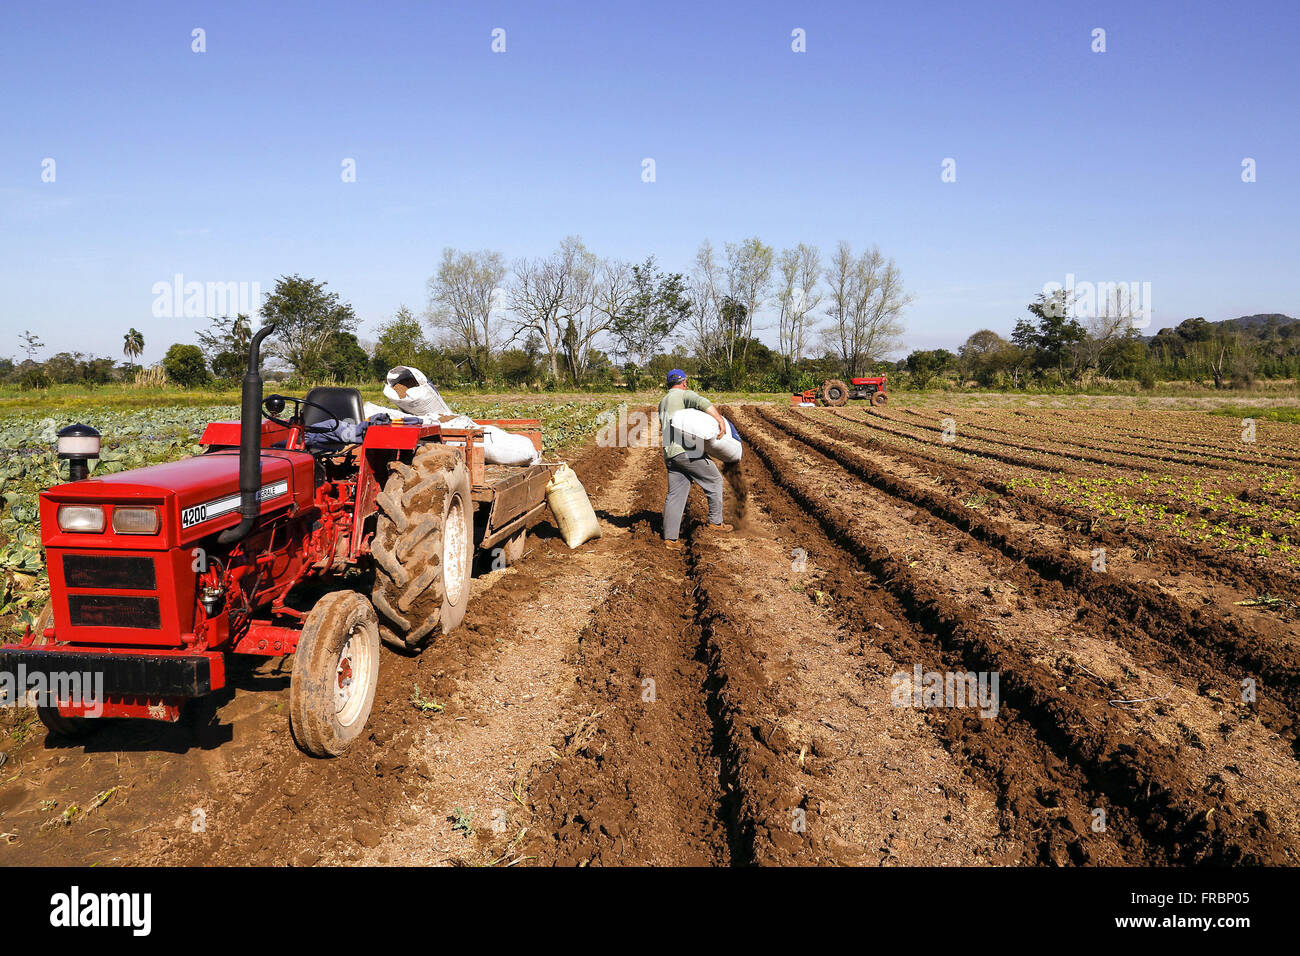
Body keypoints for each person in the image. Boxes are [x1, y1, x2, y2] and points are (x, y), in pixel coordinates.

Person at [658, 369, 733, 549]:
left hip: (670, 453)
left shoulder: (663, 402)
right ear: (684, 382)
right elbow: (702, 402)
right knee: (714, 479)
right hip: (687, 450)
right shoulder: (683, 395)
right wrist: (719, 419)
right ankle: (715, 522)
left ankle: (670, 538)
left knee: (676, 494)